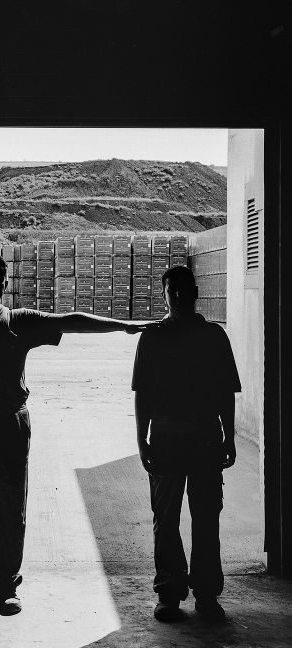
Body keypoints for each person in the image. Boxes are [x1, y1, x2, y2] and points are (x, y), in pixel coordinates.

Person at [0, 253, 147, 617]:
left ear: (5, 284)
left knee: (10, 511)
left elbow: (71, 321)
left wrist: (122, 326)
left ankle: (6, 586)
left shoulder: (20, 322)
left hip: (9, 428)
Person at [132, 265, 241, 624]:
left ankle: (207, 594)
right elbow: (142, 393)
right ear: (164, 295)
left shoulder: (214, 337)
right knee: (166, 520)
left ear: (195, 292)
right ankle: (169, 592)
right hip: (165, 439)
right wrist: (141, 438)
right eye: (171, 290)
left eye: (183, 289)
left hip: (206, 440)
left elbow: (226, 392)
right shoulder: (152, 338)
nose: (178, 295)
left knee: (206, 519)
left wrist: (229, 436)